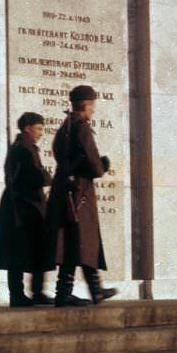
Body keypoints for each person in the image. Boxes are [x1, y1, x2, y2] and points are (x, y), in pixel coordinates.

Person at [48, 85, 118, 307]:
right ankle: (65, 294)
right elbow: (94, 165)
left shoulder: (65, 127)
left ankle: (94, 290)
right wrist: (102, 166)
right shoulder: (81, 128)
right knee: (78, 240)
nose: (94, 111)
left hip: (67, 190)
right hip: (79, 192)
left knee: (77, 241)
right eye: (93, 106)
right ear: (87, 105)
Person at [0, 112, 55, 307]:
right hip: (22, 206)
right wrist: (52, 179)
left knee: (30, 249)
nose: (41, 133)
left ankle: (32, 293)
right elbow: (34, 176)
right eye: (38, 129)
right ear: (27, 128)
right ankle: (20, 295)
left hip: (25, 205)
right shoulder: (23, 149)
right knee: (19, 251)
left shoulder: (23, 147)